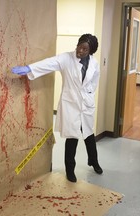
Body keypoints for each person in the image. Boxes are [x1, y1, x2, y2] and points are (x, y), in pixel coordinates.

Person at [11, 34, 103, 183]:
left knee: (89, 135)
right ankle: (70, 170)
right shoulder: (66, 58)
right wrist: (29, 68)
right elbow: (49, 63)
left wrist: (89, 93)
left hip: (86, 104)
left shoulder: (94, 63)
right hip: (71, 104)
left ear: (90, 51)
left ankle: (94, 161)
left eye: (85, 49)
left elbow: (94, 80)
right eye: (80, 46)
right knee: (72, 137)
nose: (80, 50)